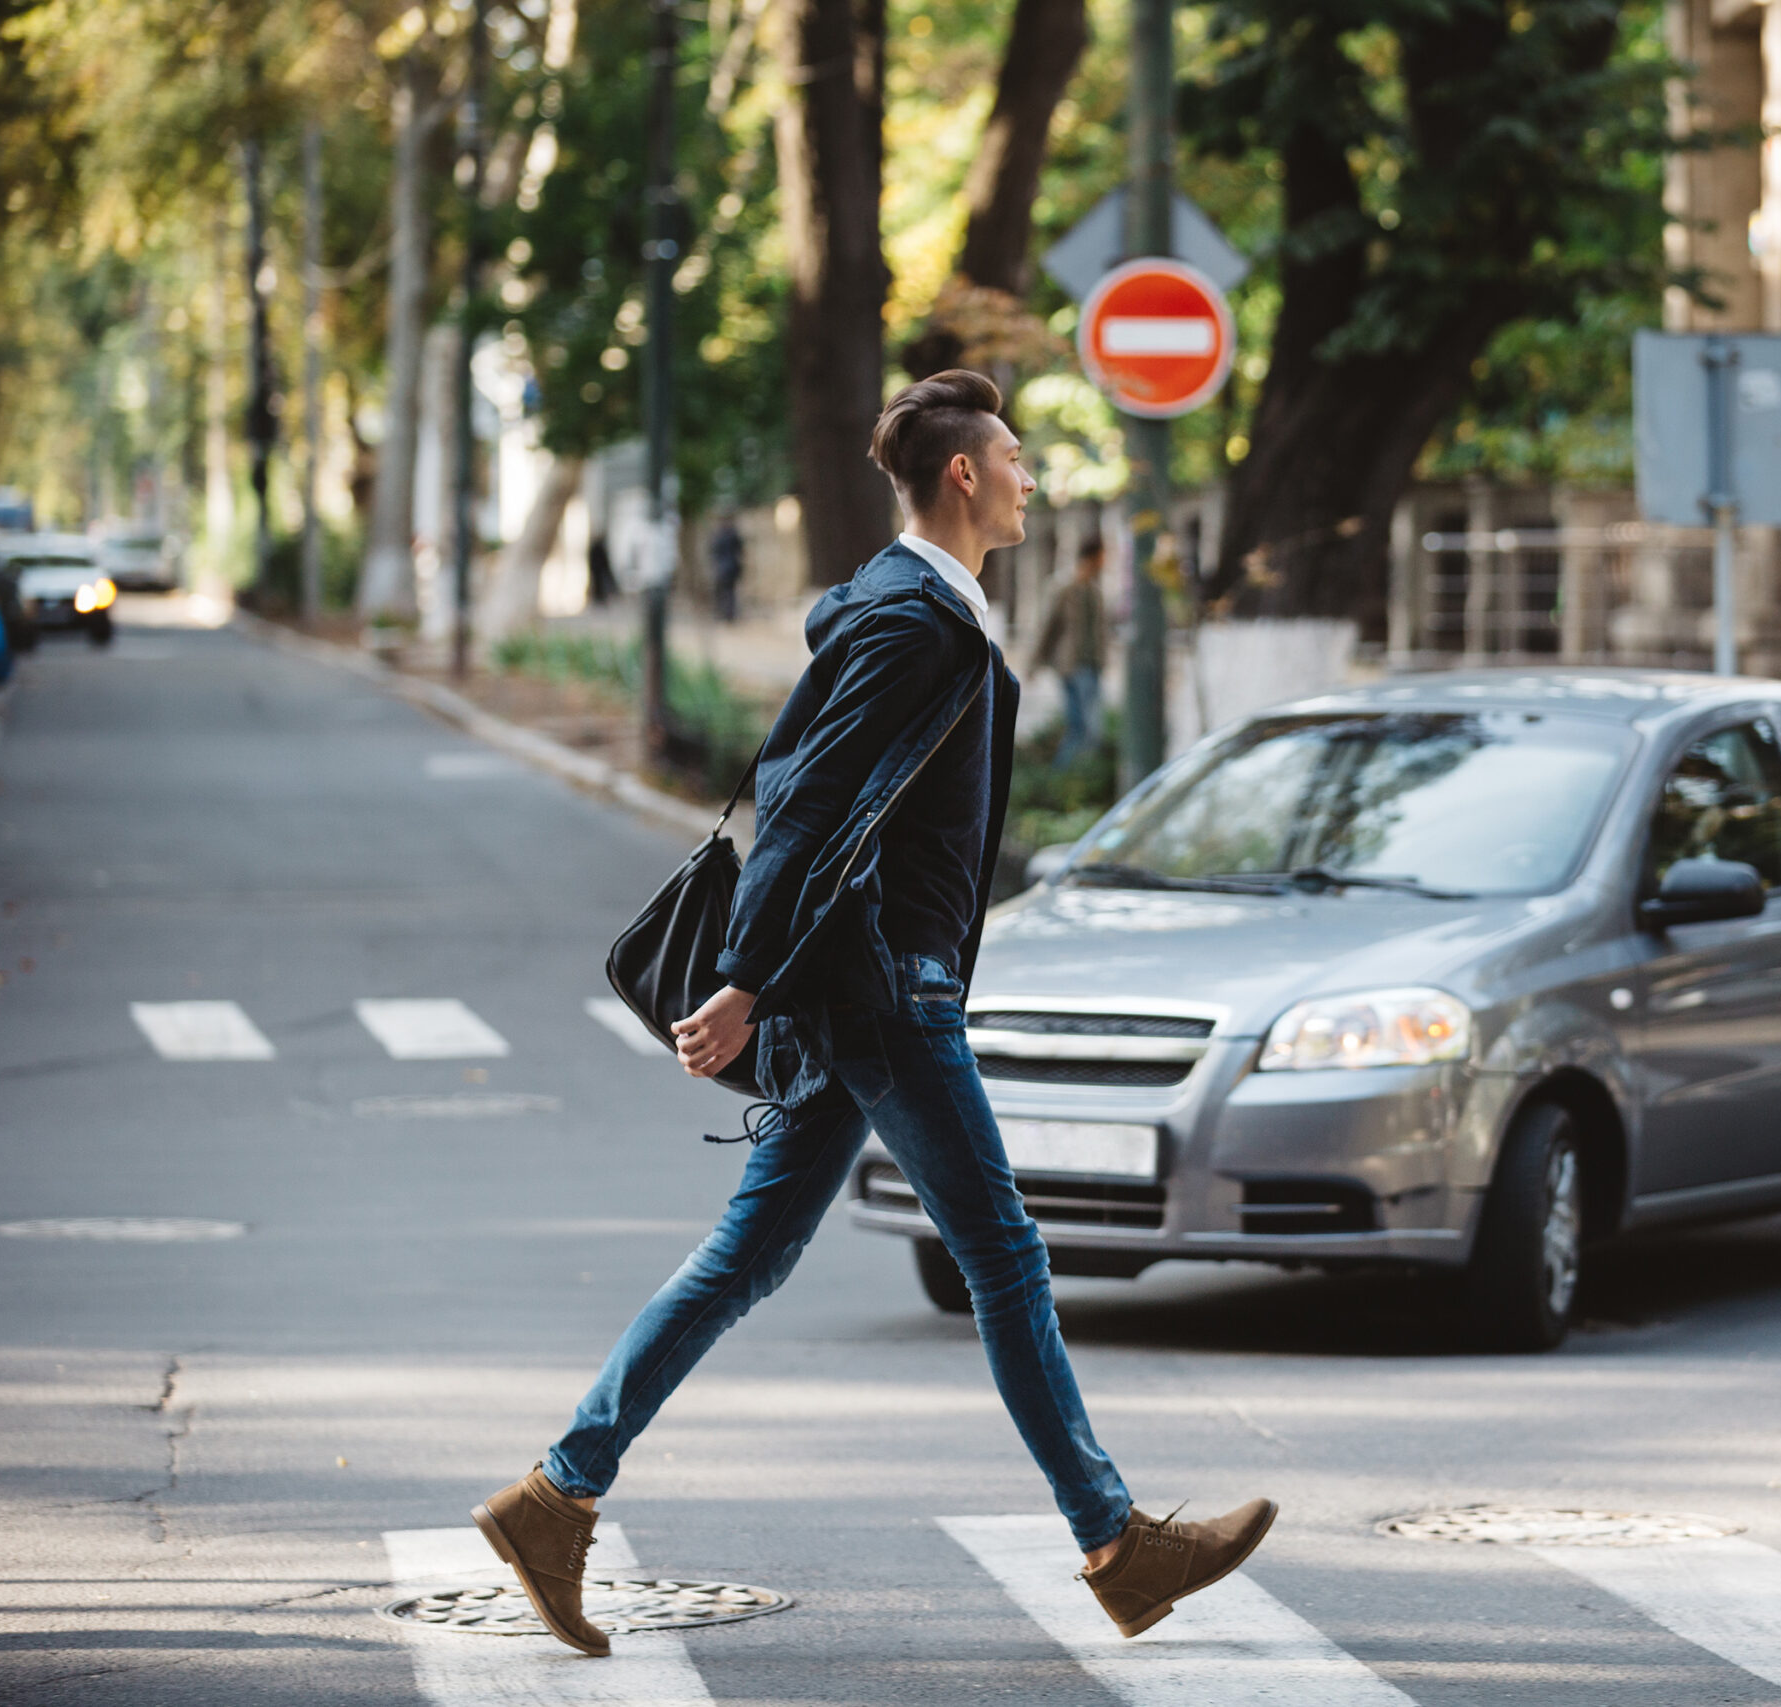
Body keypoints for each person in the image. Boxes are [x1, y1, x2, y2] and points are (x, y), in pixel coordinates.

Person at [470, 370, 1275, 1657]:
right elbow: (808, 805)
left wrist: (769, 977)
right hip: (885, 990)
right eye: (1013, 456)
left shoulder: (921, 609)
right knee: (1004, 1257)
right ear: (964, 474)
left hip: (865, 987)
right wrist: (743, 979)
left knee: (750, 1256)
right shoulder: (913, 621)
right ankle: (1117, 1543)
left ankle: (556, 1496)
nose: (1026, 475)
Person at [1024, 536, 1106, 768]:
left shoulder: (1095, 591)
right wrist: (1034, 664)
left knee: (1089, 730)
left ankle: (1077, 778)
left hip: (1093, 665)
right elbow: (1047, 627)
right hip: (1072, 665)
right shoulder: (1063, 588)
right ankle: (1061, 776)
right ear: (1094, 557)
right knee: (1083, 728)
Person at [708, 515, 745, 623]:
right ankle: (729, 614)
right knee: (730, 592)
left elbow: (713, 551)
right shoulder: (733, 534)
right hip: (731, 567)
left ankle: (724, 614)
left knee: (723, 592)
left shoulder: (718, 535)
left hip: (722, 568)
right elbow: (740, 551)